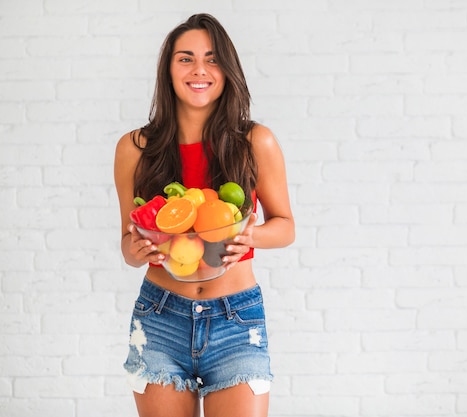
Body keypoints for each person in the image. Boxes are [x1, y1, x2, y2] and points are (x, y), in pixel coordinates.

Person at [113, 13, 295, 417]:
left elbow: (285, 225)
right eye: (185, 59)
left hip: (236, 318)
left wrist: (251, 237)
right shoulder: (134, 148)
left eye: (212, 59)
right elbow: (127, 246)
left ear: (227, 70)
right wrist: (139, 249)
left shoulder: (255, 142)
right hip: (159, 319)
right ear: (168, 70)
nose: (199, 70)